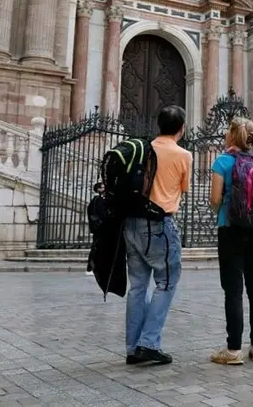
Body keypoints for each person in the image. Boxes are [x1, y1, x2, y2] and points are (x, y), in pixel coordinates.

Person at [124, 105, 190, 366]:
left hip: (132, 224)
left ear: (158, 125)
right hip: (159, 225)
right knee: (166, 283)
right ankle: (148, 343)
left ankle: (132, 348)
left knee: (138, 287)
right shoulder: (182, 155)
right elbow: (183, 188)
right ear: (181, 129)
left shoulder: (143, 149)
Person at [209, 118, 253, 365]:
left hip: (231, 229)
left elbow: (214, 199)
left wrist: (224, 205)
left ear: (231, 137)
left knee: (233, 289)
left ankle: (233, 349)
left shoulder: (222, 162)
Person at [86, 182, 108, 275]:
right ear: (98, 189)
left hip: (102, 228)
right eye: (103, 187)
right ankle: (90, 268)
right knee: (96, 248)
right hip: (100, 229)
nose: (105, 188)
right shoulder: (96, 200)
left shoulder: (101, 199)